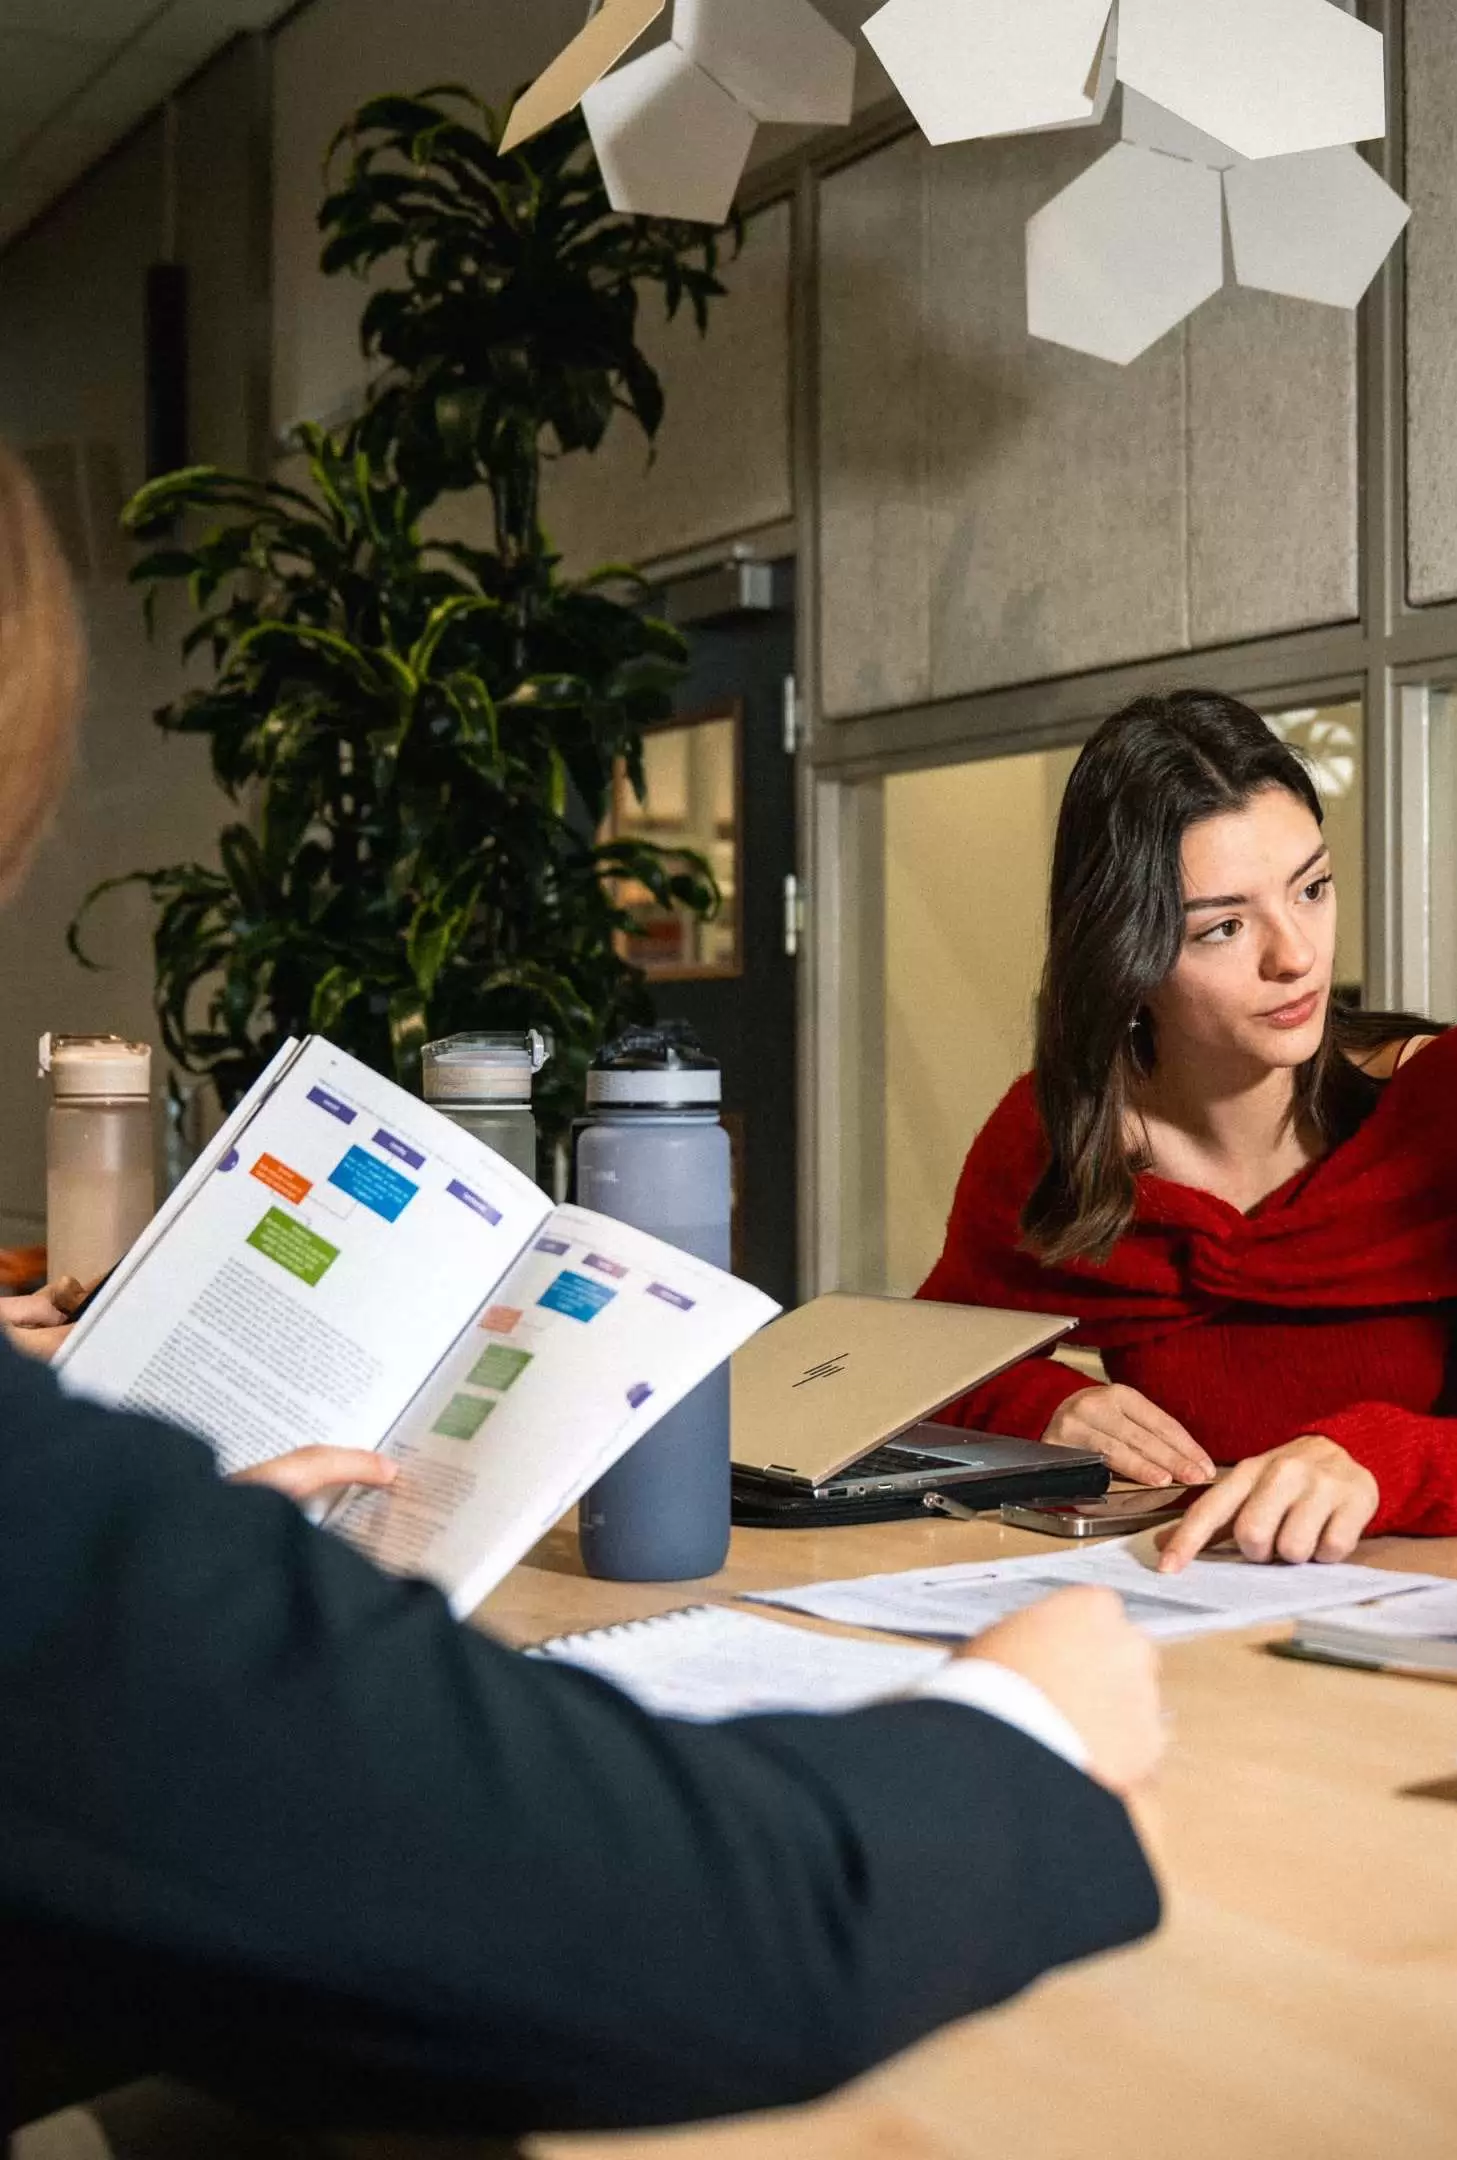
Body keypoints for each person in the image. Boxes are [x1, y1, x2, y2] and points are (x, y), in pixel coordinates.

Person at [0, 438, 1165, 2142]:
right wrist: (1020, 1723)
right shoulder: (1042, 1133)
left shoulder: (1447, 1102)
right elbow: (680, 1932)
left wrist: (172, 1573)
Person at [917, 690, 1457, 1571]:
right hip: (1196, 1605)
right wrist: (1043, 1407)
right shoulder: (1054, 1135)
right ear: (1127, 958)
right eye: (1225, 927)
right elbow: (909, 1374)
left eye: (1312, 889)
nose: (1297, 956)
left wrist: (1381, 1463)